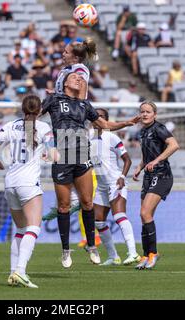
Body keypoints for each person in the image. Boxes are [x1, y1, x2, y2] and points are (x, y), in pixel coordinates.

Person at [41, 72, 140, 268]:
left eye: (81, 78)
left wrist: (127, 123)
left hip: (82, 155)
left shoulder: (85, 105)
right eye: (74, 77)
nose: (79, 79)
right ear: (64, 82)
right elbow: (33, 117)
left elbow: (104, 124)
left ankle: (93, 247)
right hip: (62, 157)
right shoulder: (54, 99)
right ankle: (66, 250)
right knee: (64, 206)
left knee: (87, 202)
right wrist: (43, 144)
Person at [0, 95, 55, 288]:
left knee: (20, 230)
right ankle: (21, 271)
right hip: (28, 183)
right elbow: (54, 155)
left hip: (10, 183)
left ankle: (12, 273)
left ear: (22, 109)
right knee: (33, 228)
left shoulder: (10, 125)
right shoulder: (43, 128)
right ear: (40, 110)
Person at [133, 101, 179, 270]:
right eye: (142, 111)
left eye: (148, 112)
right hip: (149, 175)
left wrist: (157, 160)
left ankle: (153, 254)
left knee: (144, 212)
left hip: (162, 175)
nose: (145, 114)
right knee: (144, 216)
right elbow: (148, 154)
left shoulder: (159, 128)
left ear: (155, 115)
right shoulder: (142, 131)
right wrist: (140, 166)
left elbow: (174, 145)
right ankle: (146, 255)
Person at [91, 108, 140, 266]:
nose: (98, 119)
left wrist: (122, 177)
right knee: (98, 221)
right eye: (95, 116)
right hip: (101, 186)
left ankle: (133, 253)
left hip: (115, 182)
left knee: (119, 216)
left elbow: (127, 160)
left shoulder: (111, 137)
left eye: (101, 117)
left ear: (106, 121)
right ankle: (113, 256)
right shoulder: (88, 139)